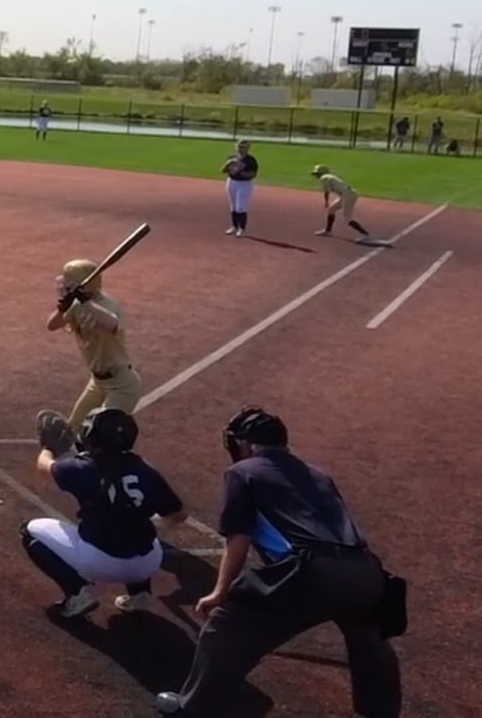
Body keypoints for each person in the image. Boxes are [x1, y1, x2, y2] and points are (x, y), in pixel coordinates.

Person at [155, 407, 401, 717]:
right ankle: (381, 712)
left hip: (312, 573)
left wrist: (220, 592)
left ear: (244, 443)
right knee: (371, 643)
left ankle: (194, 708)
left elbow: (239, 538)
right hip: (366, 570)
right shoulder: (318, 474)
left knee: (226, 628)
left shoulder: (243, 472)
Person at [21, 408, 187, 618]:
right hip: (148, 562)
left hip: (100, 562)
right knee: (137, 532)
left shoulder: (81, 468)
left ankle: (78, 594)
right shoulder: (144, 468)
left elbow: (45, 467)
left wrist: (48, 448)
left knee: (29, 531)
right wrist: (144, 519)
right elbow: (178, 515)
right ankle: (140, 594)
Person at [47, 259, 142, 434]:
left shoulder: (109, 306)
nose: (64, 285)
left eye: (69, 282)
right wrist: (62, 307)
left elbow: (111, 323)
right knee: (71, 431)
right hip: (97, 383)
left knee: (99, 434)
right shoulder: (76, 306)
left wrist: (85, 302)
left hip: (121, 385)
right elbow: (52, 325)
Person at [309, 165, 371, 240]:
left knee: (347, 219)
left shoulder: (324, 178)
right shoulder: (330, 176)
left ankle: (366, 235)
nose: (316, 176)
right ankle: (328, 231)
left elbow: (326, 191)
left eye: (317, 174)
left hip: (348, 196)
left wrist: (326, 202)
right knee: (331, 209)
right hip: (348, 194)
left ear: (321, 173)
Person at [221, 139, 258, 237]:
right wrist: (228, 164)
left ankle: (242, 228)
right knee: (233, 206)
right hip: (232, 182)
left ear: (248, 148)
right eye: (239, 147)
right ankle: (234, 226)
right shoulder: (232, 158)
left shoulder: (251, 160)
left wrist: (239, 170)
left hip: (245, 184)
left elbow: (252, 174)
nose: (241, 149)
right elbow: (223, 171)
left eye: (243, 147)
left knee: (240, 207)